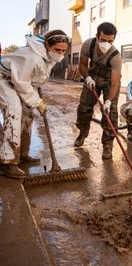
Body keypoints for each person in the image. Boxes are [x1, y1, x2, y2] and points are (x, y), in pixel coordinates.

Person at [0, 30, 71, 179]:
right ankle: (7, 162)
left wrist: (34, 99)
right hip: (4, 79)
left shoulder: (47, 57)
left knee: (28, 113)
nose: (60, 53)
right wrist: (37, 102)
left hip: (17, 80)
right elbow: (21, 82)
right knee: (14, 110)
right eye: (57, 49)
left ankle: (22, 153)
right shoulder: (34, 57)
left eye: (64, 50)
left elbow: (33, 79)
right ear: (47, 45)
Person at [74, 22, 122, 160]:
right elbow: (82, 65)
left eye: (110, 41)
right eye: (103, 40)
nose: (106, 44)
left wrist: (108, 101)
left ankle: (107, 145)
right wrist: (87, 77)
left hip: (108, 80)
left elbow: (115, 83)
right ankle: (83, 132)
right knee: (84, 107)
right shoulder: (88, 45)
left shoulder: (115, 57)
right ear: (97, 36)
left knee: (110, 112)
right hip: (92, 75)